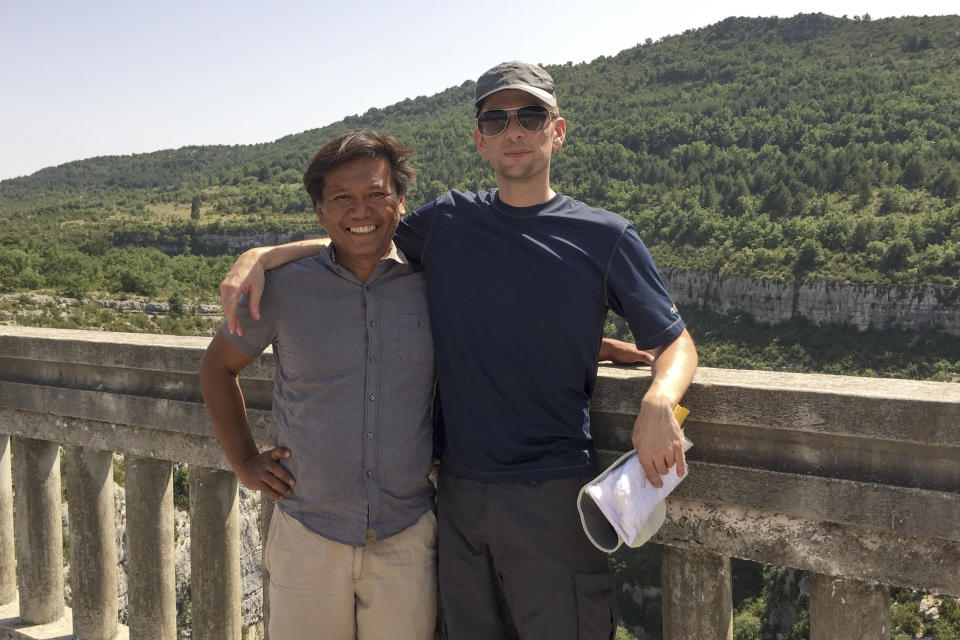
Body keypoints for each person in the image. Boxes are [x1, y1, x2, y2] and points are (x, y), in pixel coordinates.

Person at [220, 61, 698, 640]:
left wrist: (658, 400)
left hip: (552, 492)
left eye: (530, 115)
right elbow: (362, 232)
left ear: (558, 129)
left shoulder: (604, 236)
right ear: (480, 140)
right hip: (457, 494)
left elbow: (674, 342)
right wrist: (262, 255)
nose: (513, 130)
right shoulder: (449, 221)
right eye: (496, 120)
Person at [198, 130, 439, 640]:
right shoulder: (282, 288)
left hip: (406, 535)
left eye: (377, 193)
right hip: (308, 534)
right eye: (342, 197)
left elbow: (500, 331)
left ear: (400, 199)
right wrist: (243, 461)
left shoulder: (433, 284)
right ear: (320, 210)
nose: (362, 209)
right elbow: (216, 369)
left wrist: (598, 347)